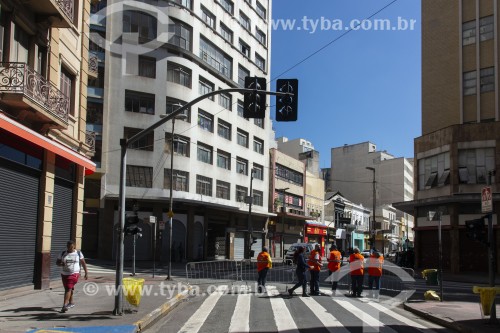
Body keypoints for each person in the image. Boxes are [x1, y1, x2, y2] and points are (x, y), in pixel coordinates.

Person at [56, 240, 88, 313]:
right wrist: (61, 264)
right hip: (64, 274)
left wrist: (86, 273)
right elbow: (57, 262)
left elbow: (83, 263)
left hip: (74, 274)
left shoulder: (78, 253)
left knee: (68, 288)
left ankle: (64, 305)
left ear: (74, 246)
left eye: (71, 247)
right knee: (69, 289)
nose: (69, 248)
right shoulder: (63, 253)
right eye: (68, 247)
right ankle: (71, 302)